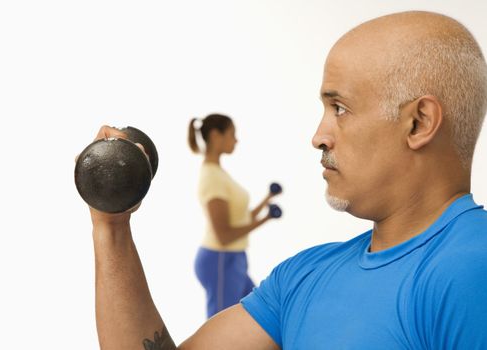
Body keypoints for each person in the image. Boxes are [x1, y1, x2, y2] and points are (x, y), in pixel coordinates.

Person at [86, 11, 487, 349]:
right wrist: (111, 225)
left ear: (418, 123)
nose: (319, 136)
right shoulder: (303, 276)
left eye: (340, 108)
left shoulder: (471, 268)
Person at [186, 114, 279, 318]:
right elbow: (224, 235)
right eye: (232, 134)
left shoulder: (219, 173)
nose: (236, 140)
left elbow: (241, 218)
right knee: (220, 326)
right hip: (220, 259)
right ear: (215, 135)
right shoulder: (211, 177)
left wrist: (267, 200)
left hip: (235, 258)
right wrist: (265, 219)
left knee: (260, 314)